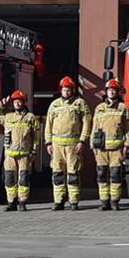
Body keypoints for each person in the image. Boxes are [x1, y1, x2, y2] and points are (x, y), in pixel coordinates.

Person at [45, 76, 91, 211]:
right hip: (57, 146)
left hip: (73, 146)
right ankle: (58, 201)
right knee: (57, 174)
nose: (66, 92)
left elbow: (87, 123)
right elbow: (49, 124)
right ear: (61, 90)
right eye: (64, 90)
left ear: (73, 90)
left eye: (69, 90)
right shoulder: (54, 105)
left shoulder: (80, 103)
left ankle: (74, 201)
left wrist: (82, 140)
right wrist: (48, 143)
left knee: (73, 173)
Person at [0, 90, 39, 212]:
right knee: (10, 179)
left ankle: (22, 201)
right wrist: (1, 103)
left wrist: (34, 151)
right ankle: (11, 202)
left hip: (24, 156)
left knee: (23, 179)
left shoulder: (30, 118)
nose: (17, 104)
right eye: (15, 102)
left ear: (23, 102)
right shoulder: (7, 117)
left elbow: (36, 137)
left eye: (19, 101)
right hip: (10, 156)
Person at [91, 78, 129, 211]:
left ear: (117, 92)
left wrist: (126, 145)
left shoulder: (122, 108)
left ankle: (115, 201)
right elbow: (94, 128)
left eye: (114, 90)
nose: (112, 92)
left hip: (117, 149)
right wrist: (93, 146)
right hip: (101, 149)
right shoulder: (99, 108)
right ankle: (104, 201)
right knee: (101, 175)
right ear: (106, 92)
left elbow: (128, 130)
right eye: (109, 90)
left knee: (115, 175)